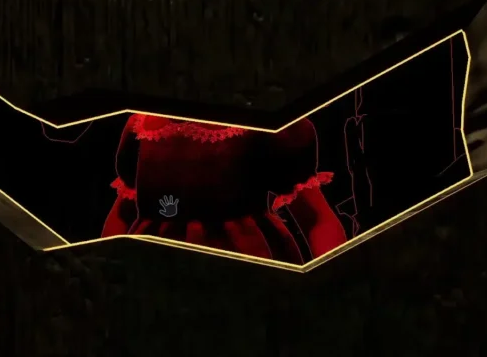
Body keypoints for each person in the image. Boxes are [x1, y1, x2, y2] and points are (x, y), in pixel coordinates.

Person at [101, 113, 347, 264]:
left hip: (244, 265)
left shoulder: (261, 125)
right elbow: (123, 213)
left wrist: (333, 279)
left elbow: (316, 218)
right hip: (155, 272)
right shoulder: (141, 125)